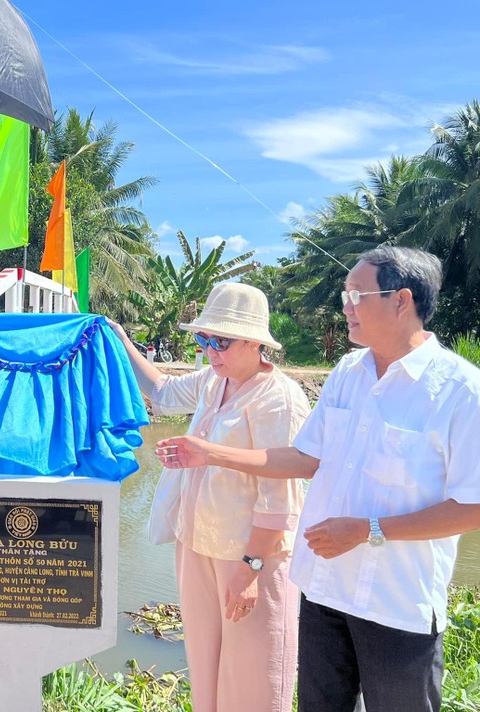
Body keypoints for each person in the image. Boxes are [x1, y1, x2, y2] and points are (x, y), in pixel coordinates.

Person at [158, 247, 480, 712]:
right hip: (324, 589)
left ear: (401, 300)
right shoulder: (349, 372)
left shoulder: (460, 390)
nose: (345, 307)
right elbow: (304, 458)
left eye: (356, 295)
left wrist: (369, 530)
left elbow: (473, 507)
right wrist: (210, 453)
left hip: (396, 603)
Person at [110, 282, 310, 712]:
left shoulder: (278, 398)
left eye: (221, 341)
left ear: (255, 342)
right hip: (196, 545)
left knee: (254, 680)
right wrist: (122, 341)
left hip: (248, 555)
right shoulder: (212, 381)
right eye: (204, 339)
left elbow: (280, 495)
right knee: (206, 672)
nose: (210, 350)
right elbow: (162, 391)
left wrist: (251, 568)